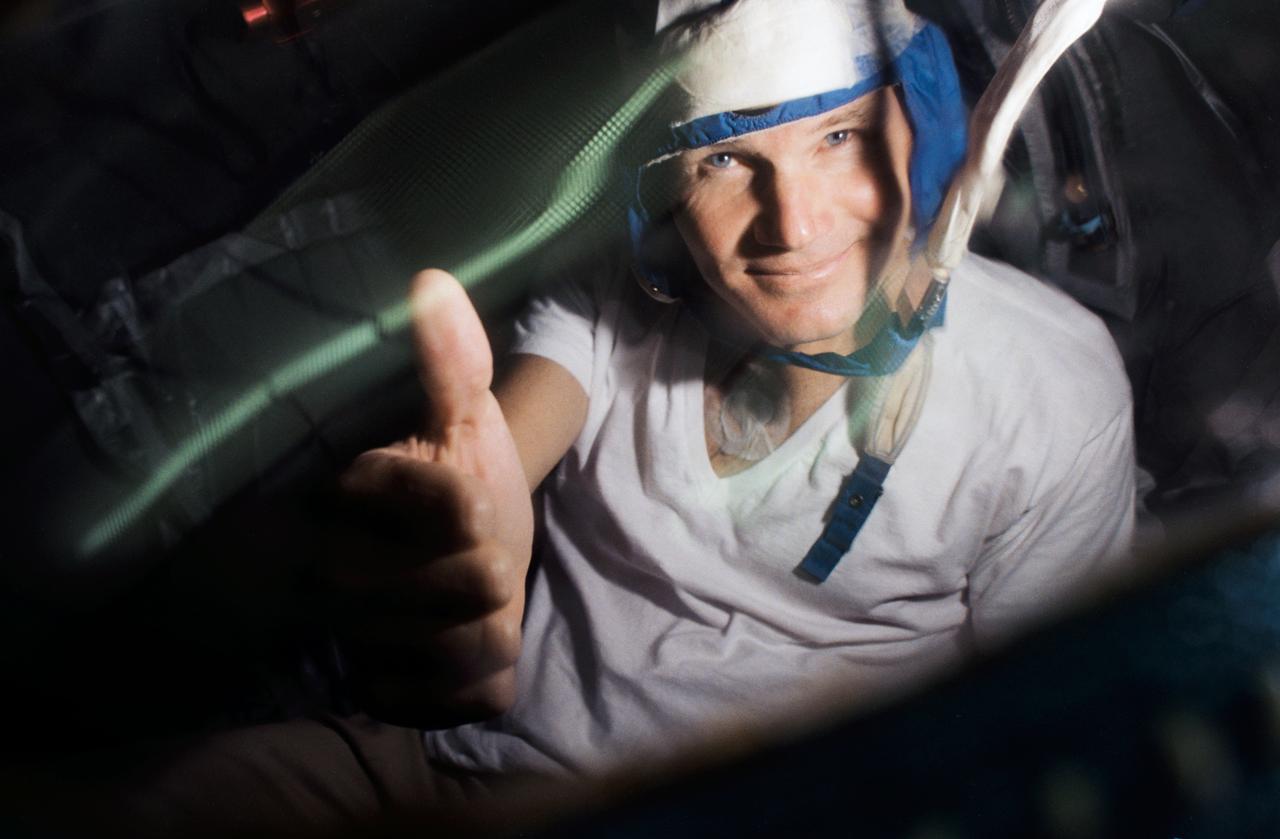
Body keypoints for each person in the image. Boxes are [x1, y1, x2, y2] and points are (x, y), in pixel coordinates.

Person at [42, 0, 1134, 834]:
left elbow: (1040, 730)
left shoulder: (1047, 395)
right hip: (441, 766)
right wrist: (452, 520)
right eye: (724, 161)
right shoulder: (631, 295)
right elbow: (503, 444)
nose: (788, 225)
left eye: (836, 139)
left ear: (920, 126)